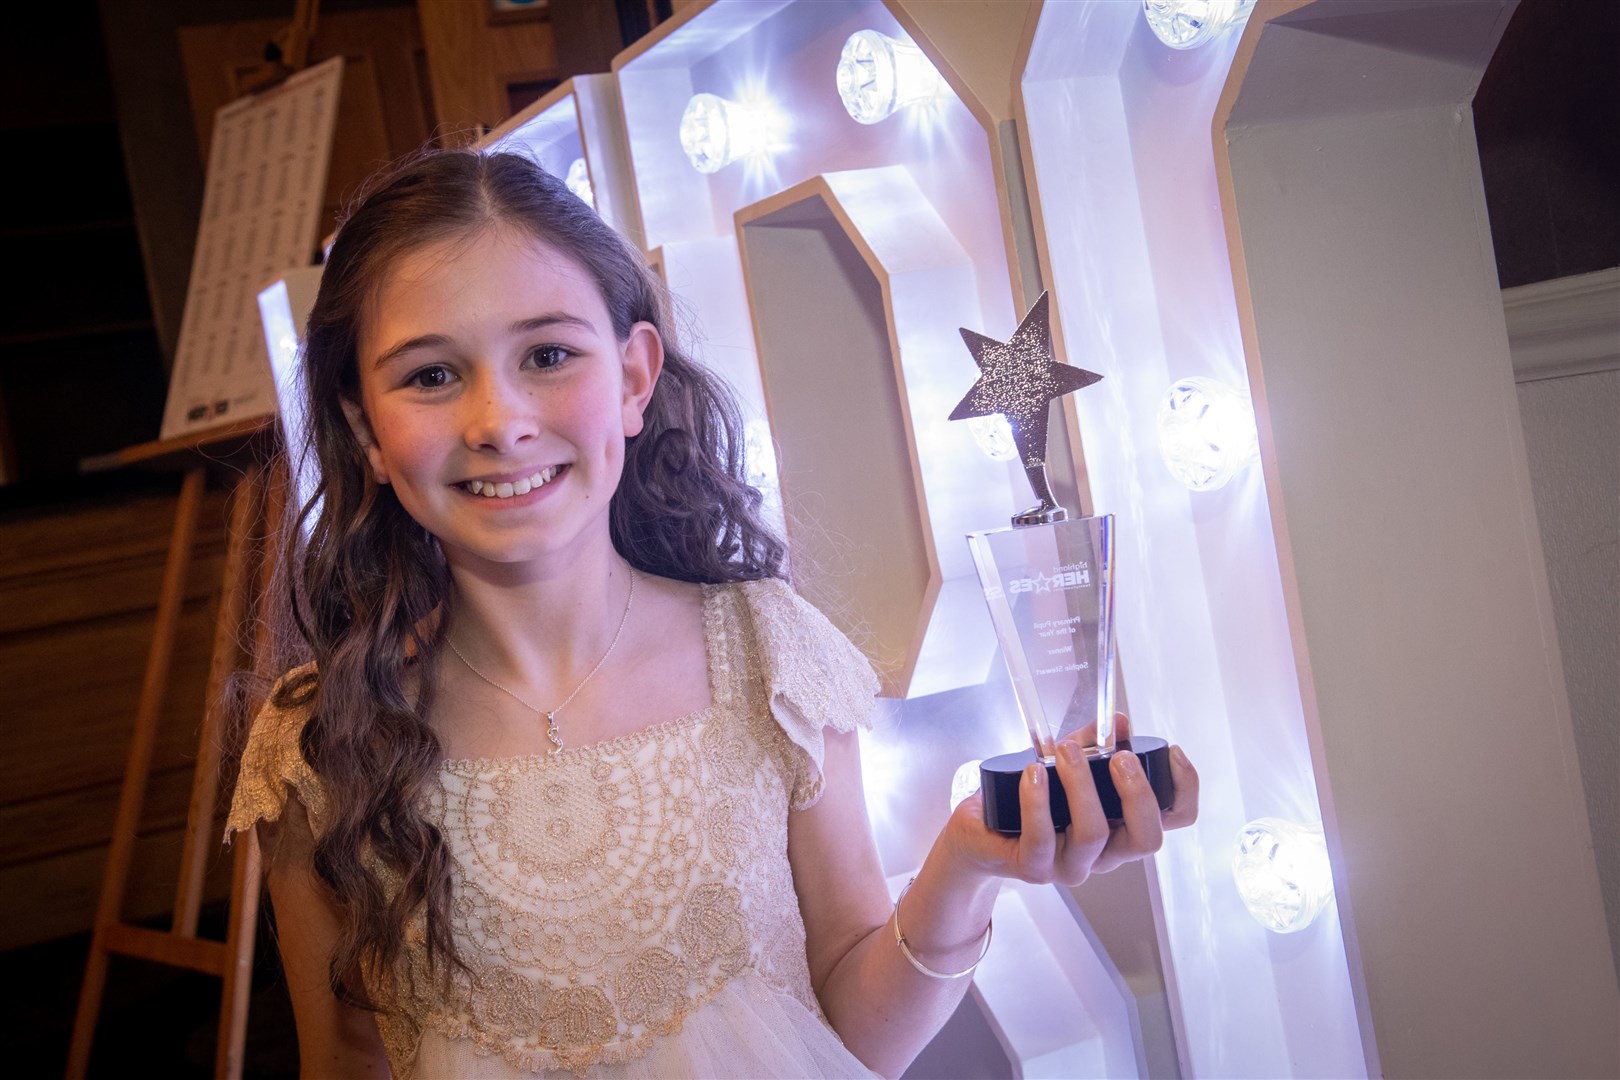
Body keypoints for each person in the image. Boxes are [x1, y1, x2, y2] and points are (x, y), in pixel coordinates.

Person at [226, 149, 1199, 1079]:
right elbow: (344, 1062)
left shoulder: (767, 654)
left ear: (636, 375)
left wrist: (965, 864)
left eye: (549, 354)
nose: (498, 422)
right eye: (431, 375)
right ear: (363, 426)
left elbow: (856, 1035)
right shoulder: (318, 741)